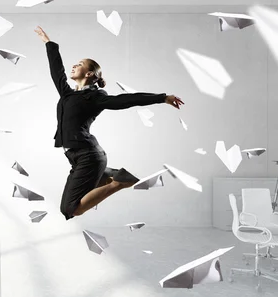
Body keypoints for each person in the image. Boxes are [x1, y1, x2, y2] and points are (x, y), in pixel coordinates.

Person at [34, 26, 184, 220]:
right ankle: (106, 174)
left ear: (88, 74)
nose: (74, 66)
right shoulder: (68, 93)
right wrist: (49, 44)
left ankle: (118, 182)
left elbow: (127, 100)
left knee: (70, 209)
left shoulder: (95, 97)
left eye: (79, 64)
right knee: (75, 201)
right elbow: (57, 71)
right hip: (78, 157)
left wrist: (162, 98)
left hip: (88, 156)